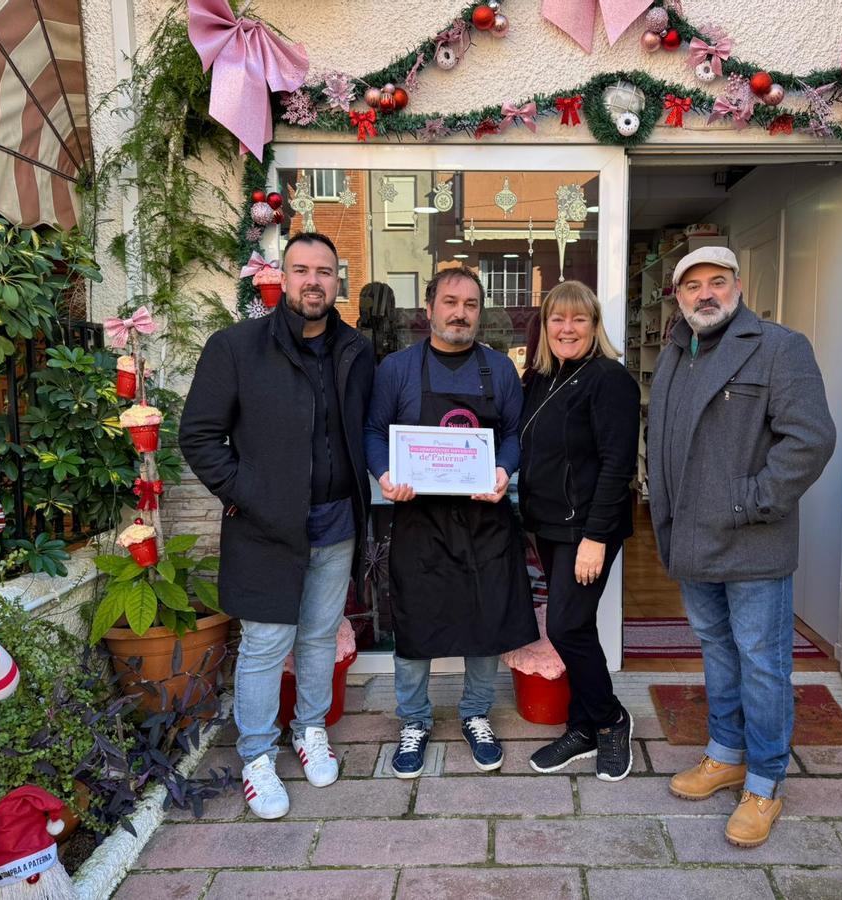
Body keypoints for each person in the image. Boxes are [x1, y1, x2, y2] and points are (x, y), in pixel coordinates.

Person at [179, 233, 375, 819]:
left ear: (338, 280)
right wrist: (249, 495)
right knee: (266, 644)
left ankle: (309, 728)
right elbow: (199, 436)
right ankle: (257, 755)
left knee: (318, 635)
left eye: (325, 271)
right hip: (267, 526)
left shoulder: (355, 350)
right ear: (282, 278)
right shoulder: (236, 347)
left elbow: (364, 429)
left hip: (336, 520)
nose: (313, 281)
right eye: (301, 270)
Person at [650, 246, 835, 848]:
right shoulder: (678, 350)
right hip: (693, 538)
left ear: (737, 285)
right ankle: (725, 753)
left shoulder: (781, 347)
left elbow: (810, 439)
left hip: (751, 539)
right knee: (718, 651)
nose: (706, 294)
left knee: (762, 661)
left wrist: (749, 500)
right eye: (692, 285)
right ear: (677, 296)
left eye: (718, 282)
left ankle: (765, 782)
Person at [365, 266, 538, 778]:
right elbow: (375, 431)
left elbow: (513, 433)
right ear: (429, 309)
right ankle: (414, 720)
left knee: (487, 618)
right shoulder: (397, 369)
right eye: (449, 302)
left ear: (479, 313)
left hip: (485, 515)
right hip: (420, 516)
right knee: (415, 621)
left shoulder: (498, 370)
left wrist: (505, 470)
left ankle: (475, 713)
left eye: (469, 304)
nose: (459, 312)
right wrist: (385, 472)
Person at [517, 281, 640, 781]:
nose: (567, 329)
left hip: (586, 529)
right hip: (548, 524)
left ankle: (610, 720)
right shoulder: (541, 379)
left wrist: (595, 536)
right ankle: (583, 725)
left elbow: (617, 465)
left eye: (579, 320)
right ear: (545, 327)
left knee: (565, 625)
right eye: (557, 320)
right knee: (576, 624)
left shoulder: (609, 379)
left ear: (594, 326)